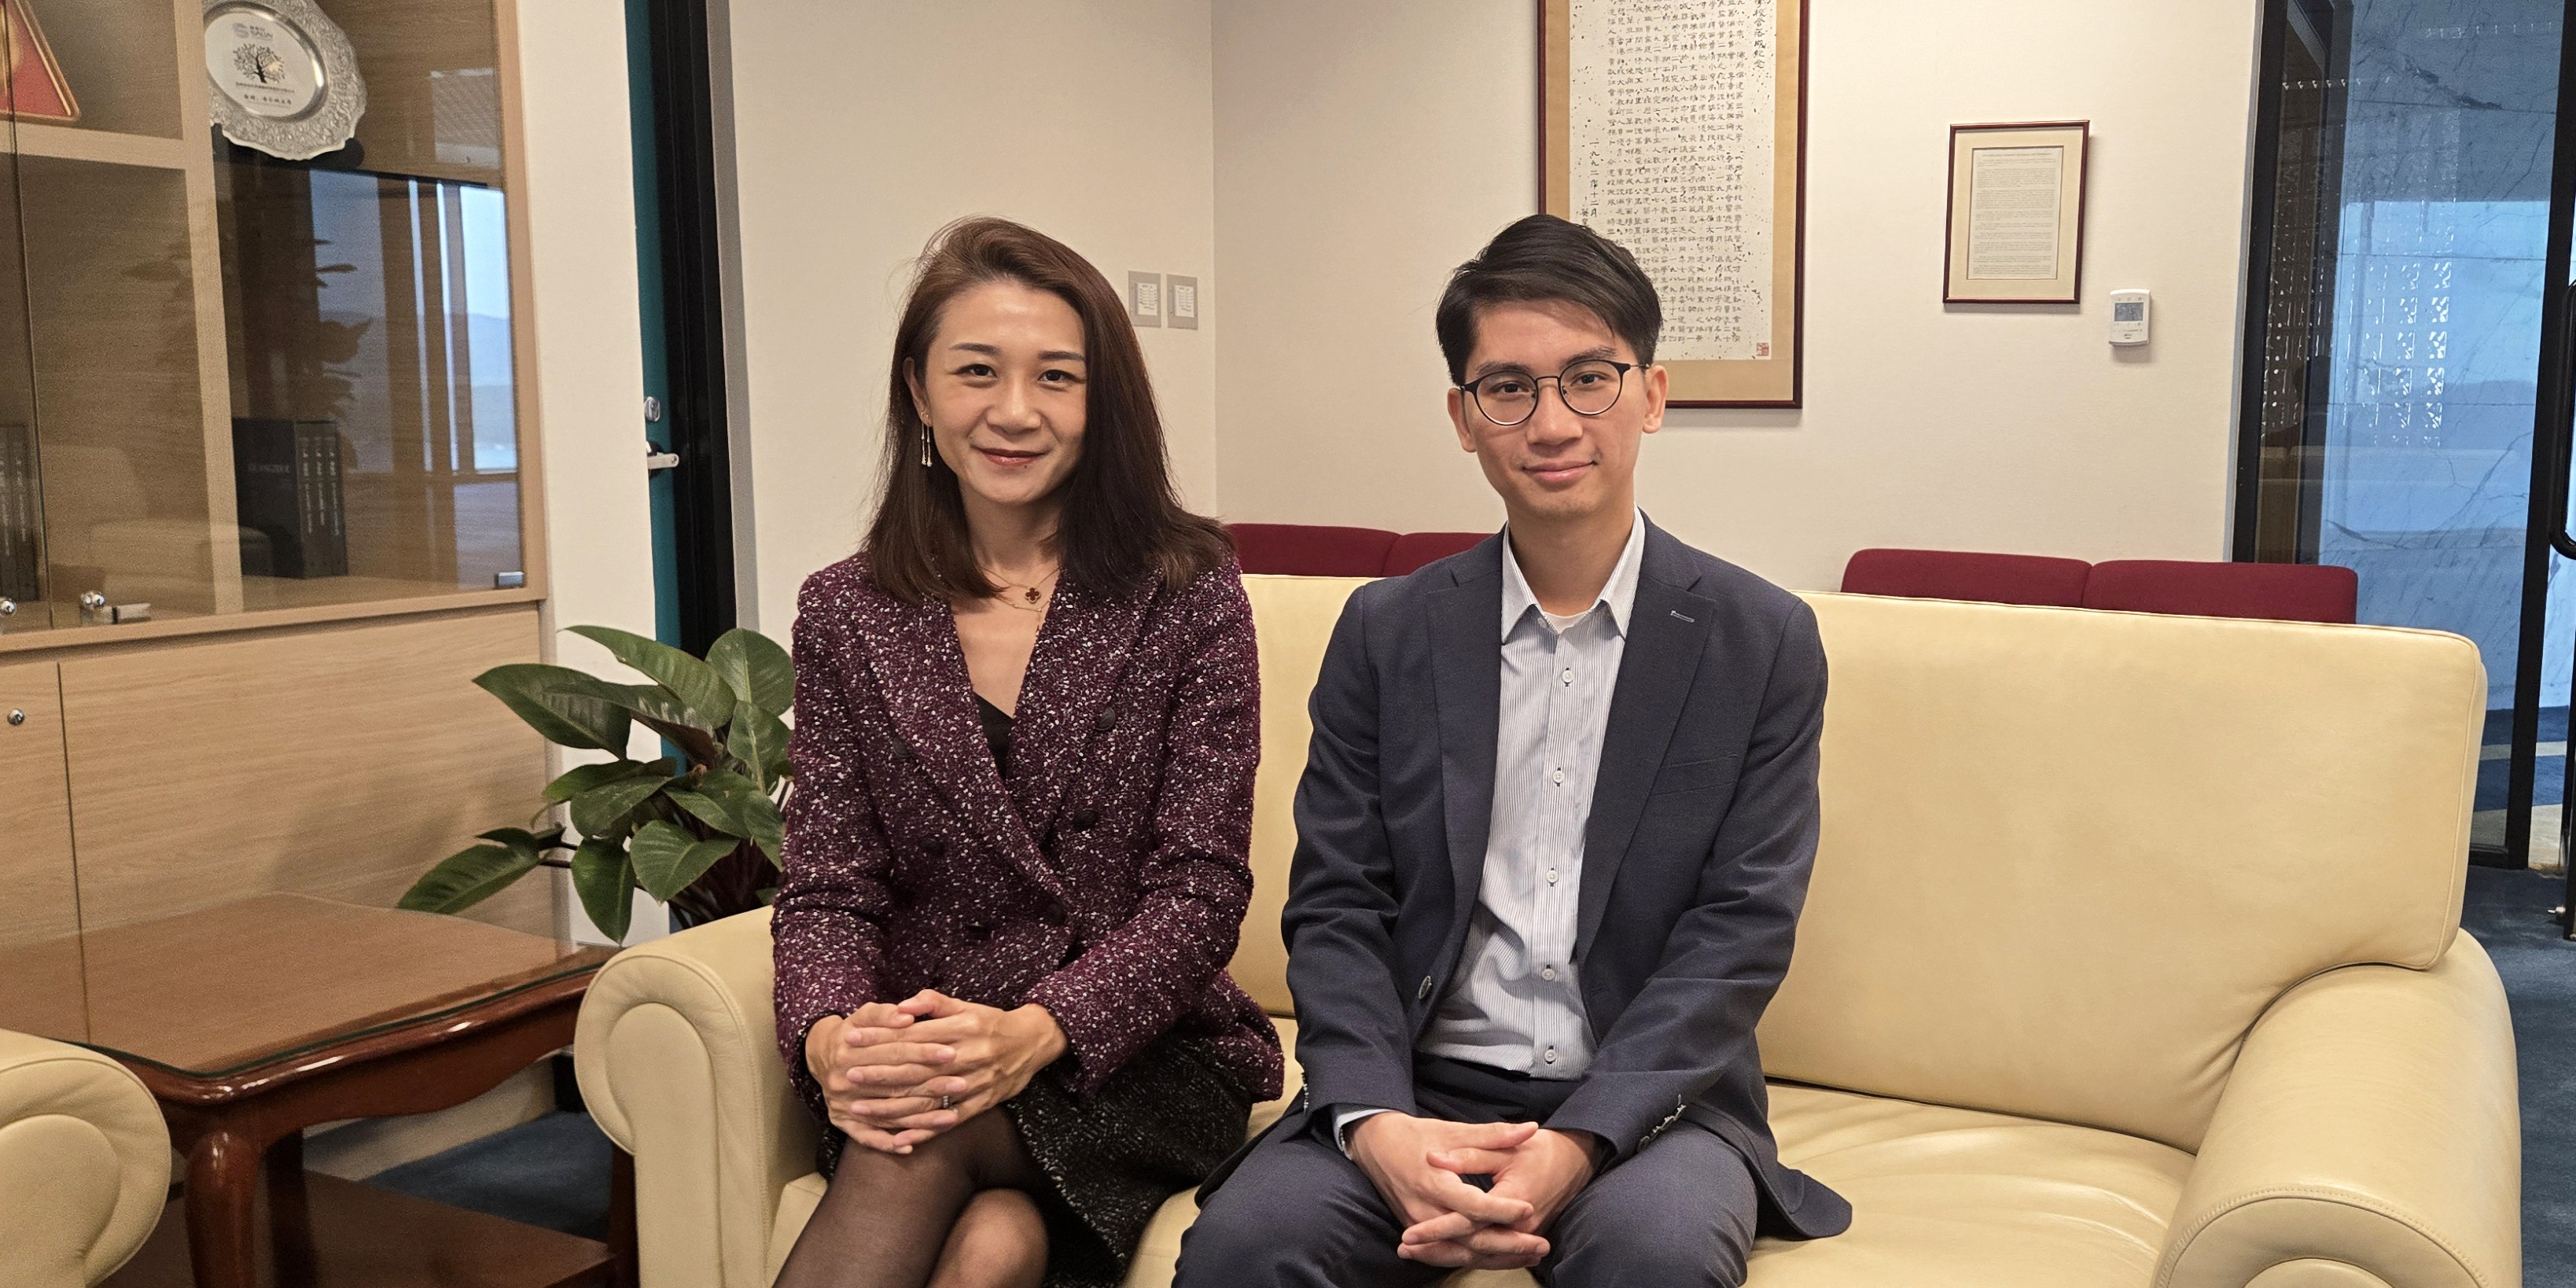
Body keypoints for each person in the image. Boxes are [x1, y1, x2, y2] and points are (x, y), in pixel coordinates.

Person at [1174, 214, 1851, 1287]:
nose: (1552, 422)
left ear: (1653, 394)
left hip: (1651, 1106)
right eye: (1508, 388)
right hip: (1417, 1085)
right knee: (1245, 1250)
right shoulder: (1385, 634)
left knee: (1658, 1258)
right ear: (1462, 415)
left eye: (1590, 377)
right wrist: (1376, 1121)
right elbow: (1338, 901)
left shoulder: (1758, 641)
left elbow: (1741, 930)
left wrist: (1580, 1141)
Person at [771, 216, 1282, 1288]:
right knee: (992, 1243)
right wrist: (831, 1038)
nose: (1014, 411)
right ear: (919, 390)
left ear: (1103, 405)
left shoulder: (1186, 594)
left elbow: (1200, 890)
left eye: (1057, 376)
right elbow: (827, 888)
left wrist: (1039, 1028)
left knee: (916, 1138)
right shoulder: (846, 612)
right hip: (935, 1043)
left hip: (1137, 1051)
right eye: (975, 372)